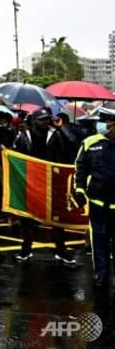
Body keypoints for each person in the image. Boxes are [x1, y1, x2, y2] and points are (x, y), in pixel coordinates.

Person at [13, 107, 79, 263]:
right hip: (31, 181)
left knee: (57, 217)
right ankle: (26, 249)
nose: (44, 122)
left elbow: (74, 145)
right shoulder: (23, 136)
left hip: (52, 181)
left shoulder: (55, 134)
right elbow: (15, 155)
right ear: (34, 121)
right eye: (41, 119)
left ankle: (61, 250)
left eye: (46, 119)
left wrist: (62, 128)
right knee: (27, 218)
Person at [73, 107, 115, 287]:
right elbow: (80, 168)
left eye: (106, 121)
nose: (101, 125)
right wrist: (79, 190)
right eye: (101, 121)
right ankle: (101, 274)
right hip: (98, 203)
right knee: (99, 240)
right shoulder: (90, 143)